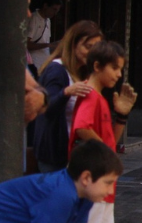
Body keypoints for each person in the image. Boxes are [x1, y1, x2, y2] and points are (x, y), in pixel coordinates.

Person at [53, 41, 138, 223]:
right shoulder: (90, 96)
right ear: (98, 67)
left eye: (120, 69)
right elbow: (81, 129)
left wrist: (121, 116)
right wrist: (104, 154)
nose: (117, 74)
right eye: (114, 68)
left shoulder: (99, 98)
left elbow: (106, 138)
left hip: (103, 182)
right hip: (94, 182)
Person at [33, 21, 102, 174]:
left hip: (71, 153)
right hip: (54, 155)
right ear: (73, 44)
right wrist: (66, 93)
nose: (91, 54)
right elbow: (45, 109)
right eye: (87, 47)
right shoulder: (56, 71)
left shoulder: (82, 72)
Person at [26, 0, 63, 75]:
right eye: (54, 9)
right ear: (45, 6)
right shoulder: (34, 18)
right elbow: (27, 44)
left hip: (44, 65)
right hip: (34, 65)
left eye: (57, 10)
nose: (55, 13)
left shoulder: (48, 20)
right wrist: (48, 45)